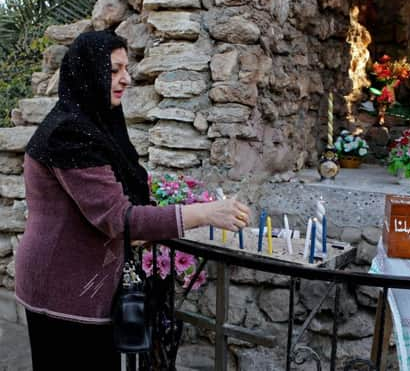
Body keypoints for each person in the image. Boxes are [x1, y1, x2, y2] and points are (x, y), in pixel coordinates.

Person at [15, 30, 251, 370]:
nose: (125, 79)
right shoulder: (69, 134)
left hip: (81, 281)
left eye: (126, 68)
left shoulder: (91, 122)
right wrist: (205, 213)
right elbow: (116, 218)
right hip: (63, 289)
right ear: (87, 71)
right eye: (113, 70)